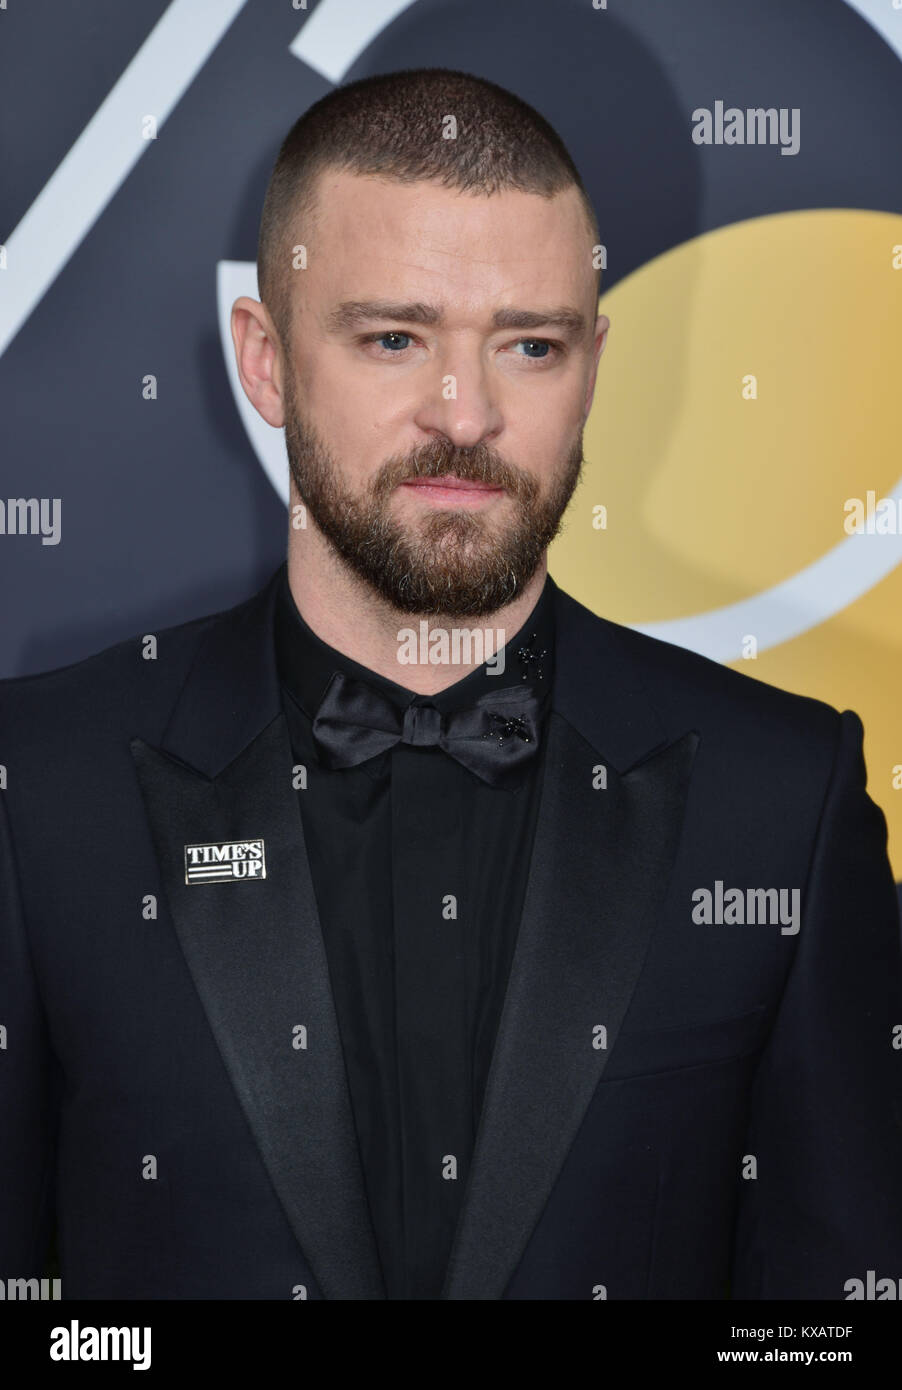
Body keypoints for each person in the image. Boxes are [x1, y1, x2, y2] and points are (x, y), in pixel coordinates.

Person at [1, 67, 900, 1301]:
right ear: (264, 362)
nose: (463, 412)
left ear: (592, 364)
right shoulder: (43, 791)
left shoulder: (780, 800)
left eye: (528, 345)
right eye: (393, 338)